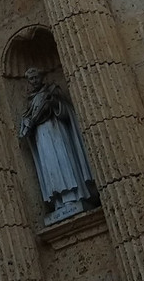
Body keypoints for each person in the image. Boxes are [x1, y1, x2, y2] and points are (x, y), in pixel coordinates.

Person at [19, 68, 99, 222]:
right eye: (31, 79)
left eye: (36, 77)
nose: (34, 81)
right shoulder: (31, 100)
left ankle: (74, 196)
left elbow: (67, 111)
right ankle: (59, 202)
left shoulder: (53, 91)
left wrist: (54, 104)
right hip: (42, 136)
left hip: (58, 132)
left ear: (41, 77)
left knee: (64, 161)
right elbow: (27, 117)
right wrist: (28, 122)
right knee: (50, 166)